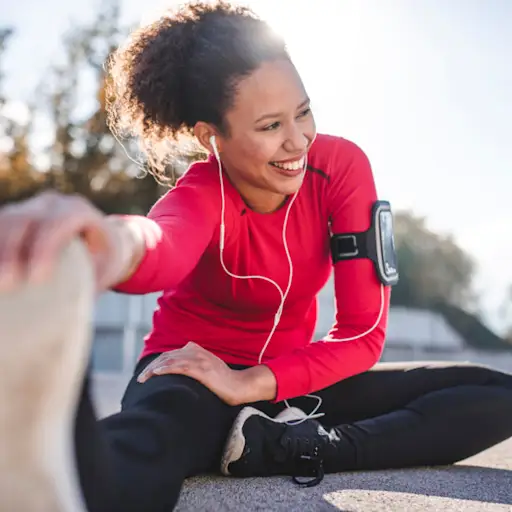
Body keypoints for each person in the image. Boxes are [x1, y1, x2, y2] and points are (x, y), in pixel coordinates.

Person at [0, 2, 511, 511]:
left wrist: (251, 383)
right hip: (192, 376)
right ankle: (54, 473)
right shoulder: (202, 192)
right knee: (153, 439)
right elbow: (162, 243)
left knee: (493, 394)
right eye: (270, 126)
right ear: (210, 137)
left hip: (286, 387)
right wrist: (102, 242)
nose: (297, 140)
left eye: (304, 111)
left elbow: (361, 333)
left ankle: (287, 447)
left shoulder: (340, 168)